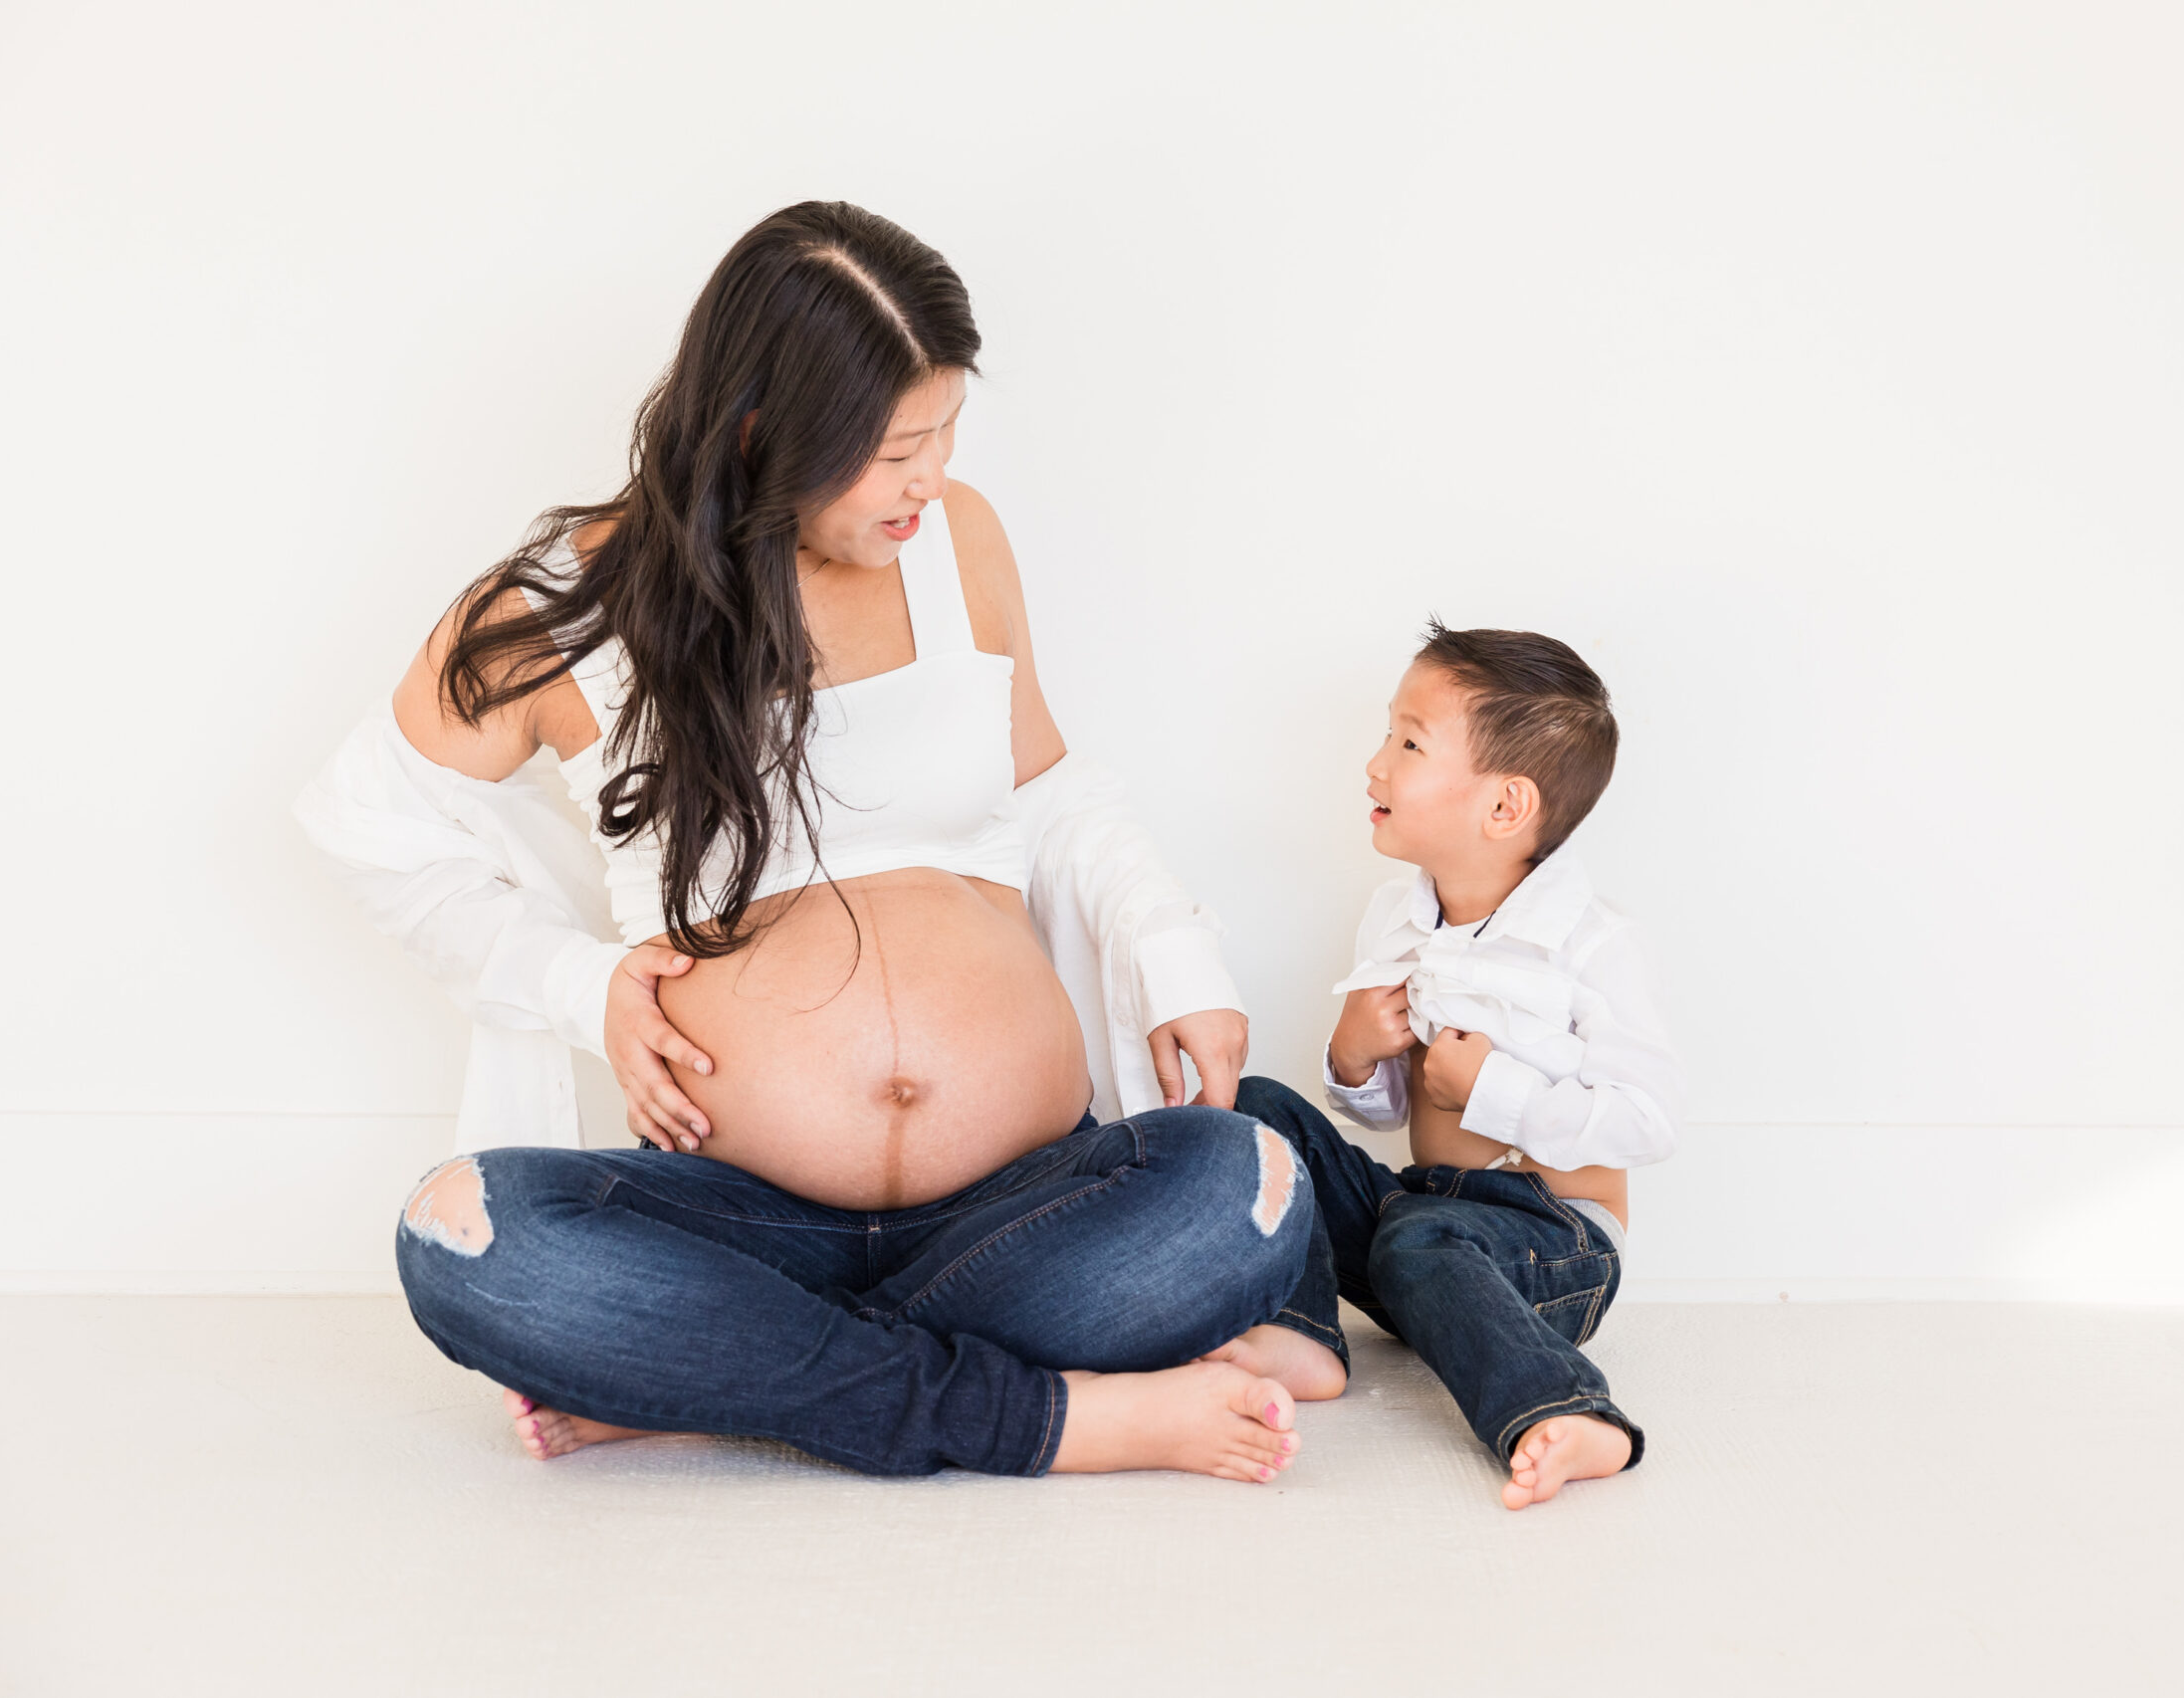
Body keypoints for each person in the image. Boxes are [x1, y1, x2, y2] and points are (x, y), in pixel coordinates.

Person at [295, 201, 1313, 1482]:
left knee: (1249, 1182)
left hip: (1015, 1202)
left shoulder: (957, 544)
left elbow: (1052, 791)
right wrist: (580, 985)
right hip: (738, 1221)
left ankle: (722, 1376)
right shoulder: (571, 606)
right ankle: (1050, 1416)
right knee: (460, 1235)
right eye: (893, 452)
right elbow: (368, 822)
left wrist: (1173, 952)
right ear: (762, 432)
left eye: (944, 434)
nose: (928, 482)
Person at [1207, 622, 1685, 1508]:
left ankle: (1567, 1409)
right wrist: (1354, 1053)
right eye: (1389, 735)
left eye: (1410, 743)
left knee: (1420, 1239)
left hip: (1555, 1244)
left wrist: (1492, 1090)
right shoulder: (1399, 916)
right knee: (1257, 1104)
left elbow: (1649, 1119)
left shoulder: (1590, 942)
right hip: (1422, 1213)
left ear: (1504, 808)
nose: (1375, 764)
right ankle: (1309, 1330)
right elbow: (1386, 1112)